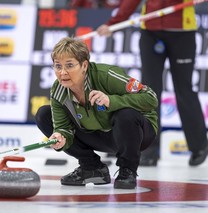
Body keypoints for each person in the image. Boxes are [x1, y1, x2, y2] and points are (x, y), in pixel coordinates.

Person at [35, 37, 158, 189]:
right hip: (99, 135)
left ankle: (127, 170)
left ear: (84, 65)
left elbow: (151, 97)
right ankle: (92, 168)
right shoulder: (58, 89)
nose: (62, 72)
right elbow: (63, 127)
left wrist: (111, 101)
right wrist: (61, 137)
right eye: (57, 66)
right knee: (44, 115)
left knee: (125, 114)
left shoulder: (106, 74)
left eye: (69, 65)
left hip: (138, 134)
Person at [96, 0, 208, 166]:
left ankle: (199, 146)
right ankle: (149, 150)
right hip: (150, 33)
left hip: (182, 32)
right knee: (149, 92)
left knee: (184, 90)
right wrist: (113, 24)